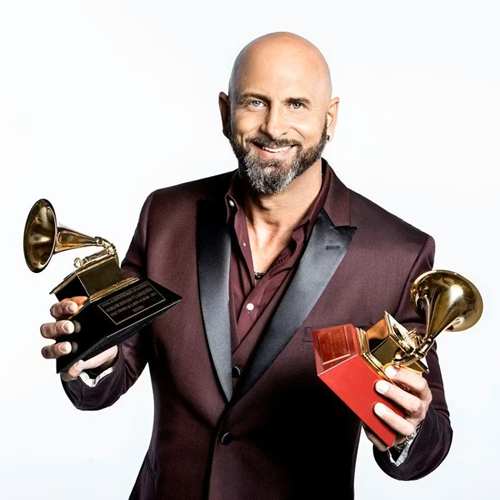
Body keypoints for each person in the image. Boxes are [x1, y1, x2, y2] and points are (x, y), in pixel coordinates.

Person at [39, 32, 452, 500]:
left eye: (296, 104)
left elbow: (430, 440)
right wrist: (91, 353)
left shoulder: (398, 254)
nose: (274, 127)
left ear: (329, 118)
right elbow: (116, 368)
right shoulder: (165, 216)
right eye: (255, 102)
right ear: (225, 112)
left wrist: (409, 427)